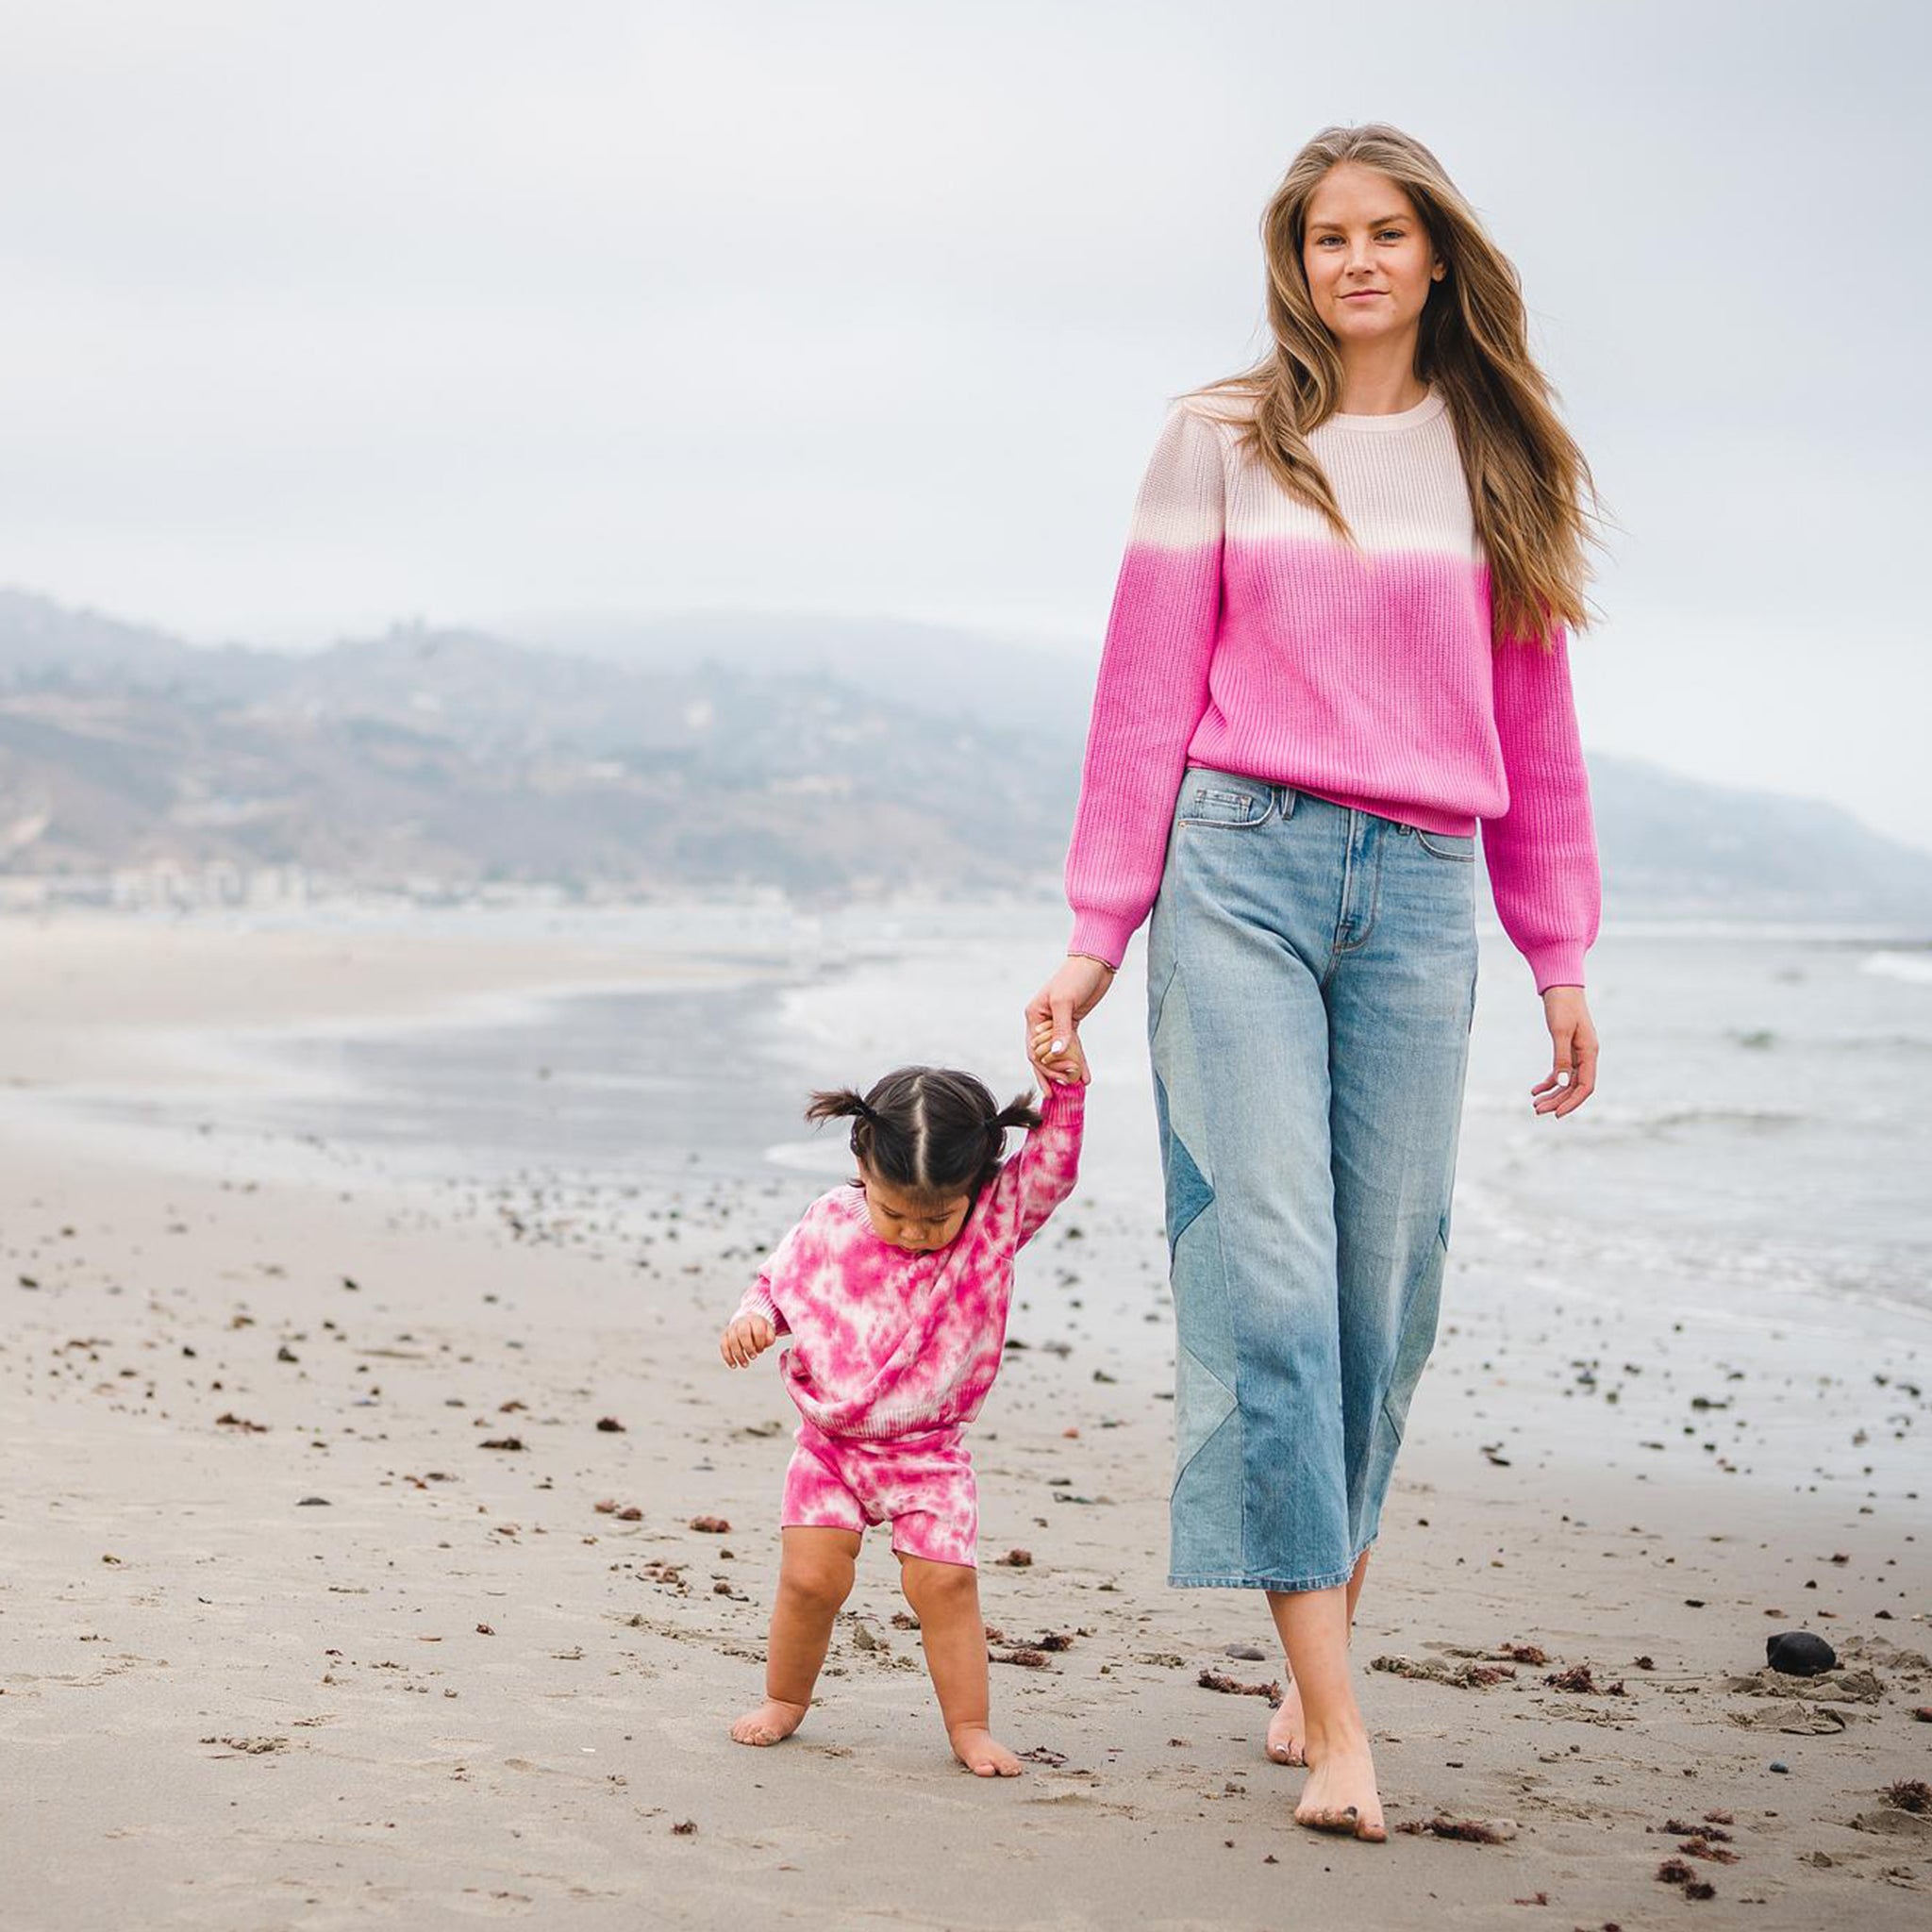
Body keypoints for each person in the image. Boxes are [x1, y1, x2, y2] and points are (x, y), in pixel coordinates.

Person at [1026, 123, 1603, 1842]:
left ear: (1434, 257)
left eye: (1383, 233)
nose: (1353, 259)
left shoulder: (1496, 452)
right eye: (1324, 235)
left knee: (1383, 1295)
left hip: (1423, 892)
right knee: (1271, 1278)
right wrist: (1089, 933)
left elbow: (1538, 738)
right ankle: (1338, 1717)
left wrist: (1555, 947)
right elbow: (1142, 700)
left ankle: (1313, 1638)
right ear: (1295, 259)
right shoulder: (1217, 437)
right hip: (1238, 874)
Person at [719, 1038, 1086, 1776]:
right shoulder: (829, 1221)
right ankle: (785, 1701)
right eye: (896, 1214)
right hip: (832, 1445)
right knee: (812, 1579)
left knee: (944, 1584)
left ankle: (971, 1726)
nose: (917, 1233)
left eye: (936, 1218)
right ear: (862, 1166)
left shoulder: (992, 1223)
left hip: (930, 1452)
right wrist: (753, 1319)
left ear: (978, 1186)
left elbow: (1052, 1168)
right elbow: (775, 1286)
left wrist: (1065, 1088)